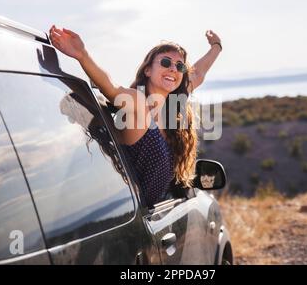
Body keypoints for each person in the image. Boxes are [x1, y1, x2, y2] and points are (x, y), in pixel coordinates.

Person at [49, 25, 222, 206]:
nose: (173, 69)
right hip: (133, 218)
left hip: (152, 216)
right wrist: (82, 55)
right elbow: (112, 88)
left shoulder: (173, 106)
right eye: (165, 62)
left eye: (179, 66)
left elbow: (199, 73)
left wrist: (216, 46)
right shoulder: (139, 103)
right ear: (147, 70)